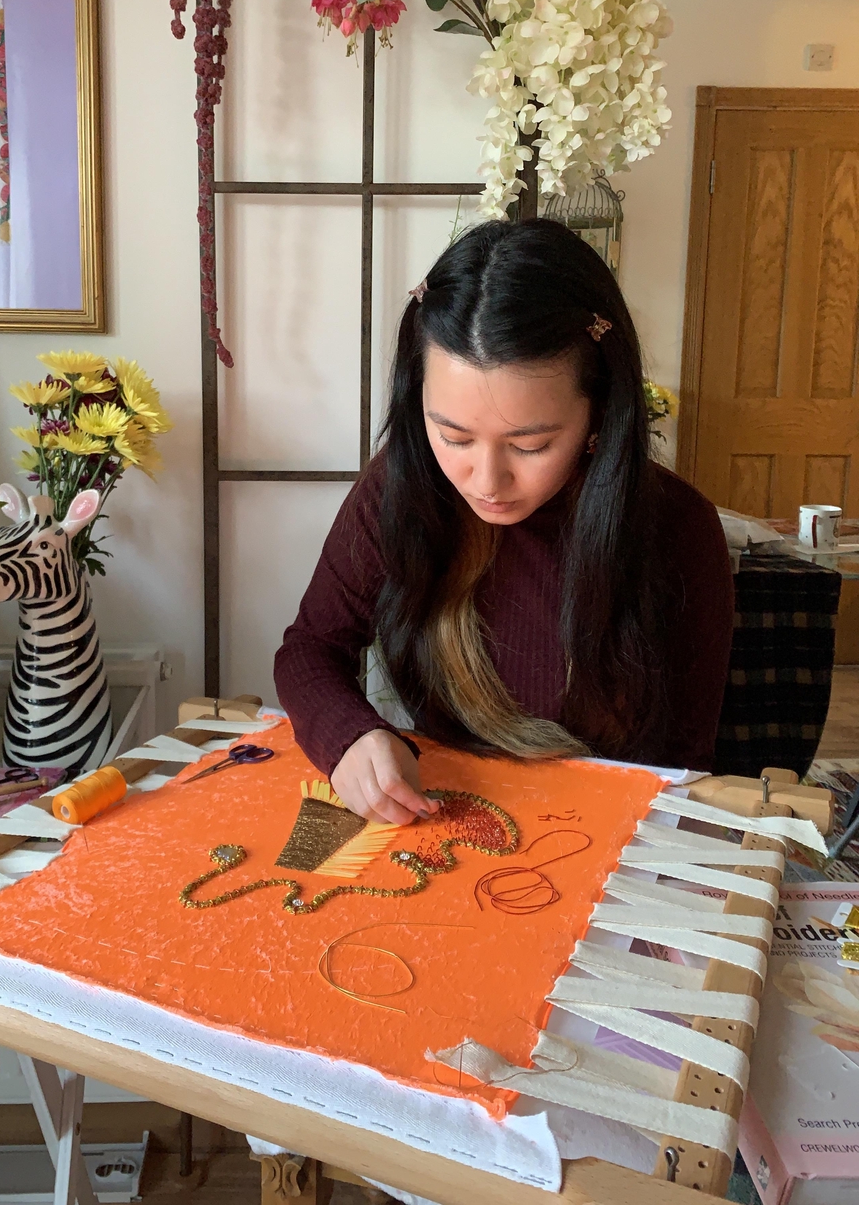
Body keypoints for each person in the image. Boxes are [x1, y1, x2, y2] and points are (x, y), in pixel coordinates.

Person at [274, 219, 734, 825]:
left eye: (530, 445)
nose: (486, 482)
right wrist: (351, 736)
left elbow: (685, 762)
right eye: (454, 436)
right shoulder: (402, 487)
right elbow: (311, 647)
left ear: (599, 412)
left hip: (610, 832)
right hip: (442, 819)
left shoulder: (677, 527)